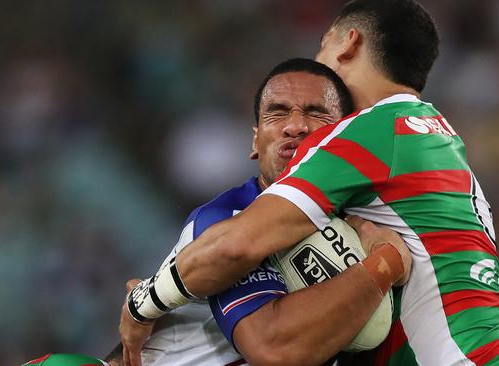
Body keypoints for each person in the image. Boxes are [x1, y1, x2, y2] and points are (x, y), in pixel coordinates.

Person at [121, 1, 499, 365]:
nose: (300, 128)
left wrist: (144, 304)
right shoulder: (438, 138)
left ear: (347, 42)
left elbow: (236, 245)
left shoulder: (371, 130)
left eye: (322, 47)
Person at [109, 58, 411, 366]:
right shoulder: (225, 219)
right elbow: (274, 349)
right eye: (277, 113)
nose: (295, 126)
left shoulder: (367, 219)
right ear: (255, 141)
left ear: (345, 137)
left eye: (316, 113)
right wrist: (386, 262)